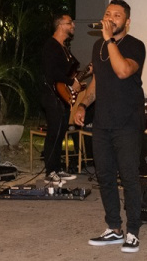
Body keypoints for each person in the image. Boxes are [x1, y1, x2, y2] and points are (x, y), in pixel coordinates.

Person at [74, 0, 145, 254]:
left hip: (127, 122)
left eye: (117, 15)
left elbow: (123, 71)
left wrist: (109, 40)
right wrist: (83, 105)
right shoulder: (98, 46)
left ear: (127, 22)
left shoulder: (135, 45)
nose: (111, 18)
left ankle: (133, 231)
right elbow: (97, 81)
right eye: (107, 13)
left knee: (129, 177)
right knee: (104, 177)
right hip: (102, 122)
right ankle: (114, 227)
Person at [40, 14, 82, 184]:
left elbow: (68, 71)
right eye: (70, 23)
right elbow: (51, 73)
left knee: (60, 132)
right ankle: (50, 172)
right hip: (51, 95)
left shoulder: (63, 47)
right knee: (54, 133)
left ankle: (57, 169)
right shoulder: (51, 46)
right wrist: (71, 82)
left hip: (61, 96)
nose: (73, 25)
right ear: (60, 25)